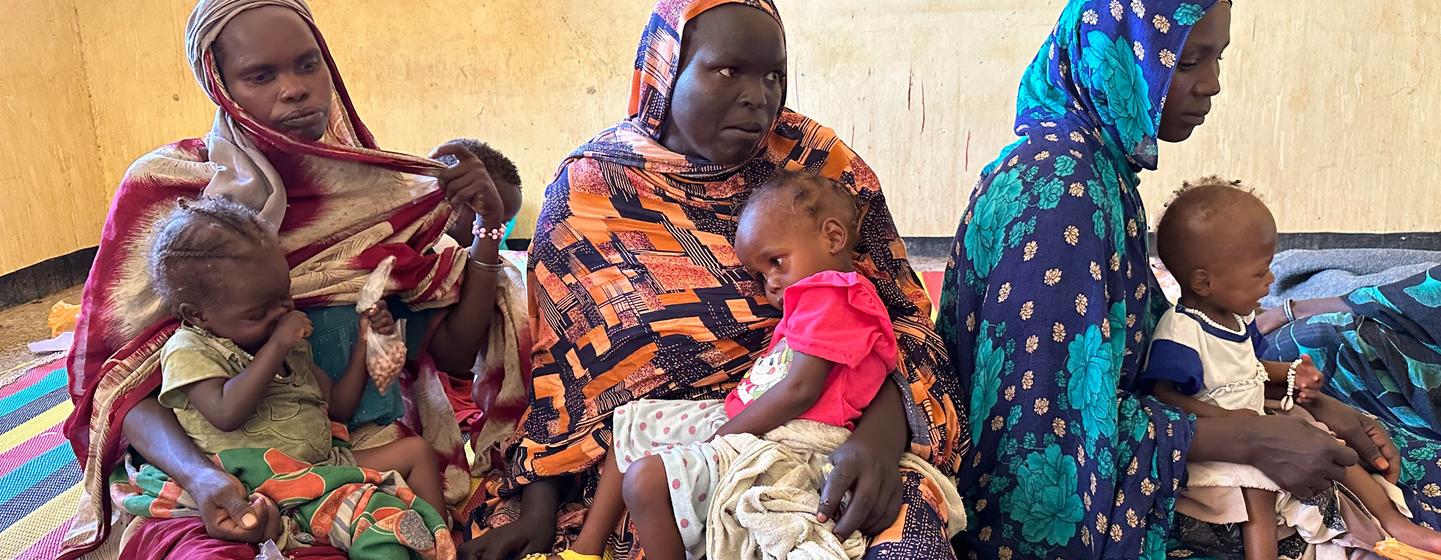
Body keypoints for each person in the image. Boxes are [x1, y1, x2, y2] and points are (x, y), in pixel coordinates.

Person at [464, 1, 965, 559]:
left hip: (832, 445)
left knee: (890, 532)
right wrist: (539, 508)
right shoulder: (592, 194)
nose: (759, 96)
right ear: (666, 69)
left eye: (774, 75)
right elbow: (563, 384)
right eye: (728, 70)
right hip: (656, 473)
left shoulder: (819, 168)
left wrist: (878, 440)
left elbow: (907, 329)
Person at [937, 1, 1411, 557]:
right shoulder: (1064, 192)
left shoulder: (1101, 170)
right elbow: (1046, 444)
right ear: (1114, 57)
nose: (1211, 86)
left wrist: (1294, 403)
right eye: (1186, 63)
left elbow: (1140, 360)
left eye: (1217, 60)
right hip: (1038, 500)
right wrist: (1258, 438)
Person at [61, 1, 515, 557]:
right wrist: (203, 479)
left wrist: (490, 227)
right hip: (207, 458)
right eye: (260, 74)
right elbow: (119, 387)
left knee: (393, 538)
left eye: (308, 64)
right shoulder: (170, 196)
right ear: (220, 85)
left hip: (348, 444)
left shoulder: (382, 197)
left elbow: (449, 354)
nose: (296, 88)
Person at [1140, 180, 1440, 557]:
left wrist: (1292, 373)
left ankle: (1395, 523)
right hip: (1223, 438)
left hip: (1262, 415)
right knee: (1257, 493)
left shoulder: (1235, 315)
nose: (1270, 280)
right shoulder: (1181, 332)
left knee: (1331, 444)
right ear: (1205, 281)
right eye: (1260, 272)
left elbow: (1248, 367)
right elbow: (1165, 398)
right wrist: (1240, 425)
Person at [149, 197, 448, 533]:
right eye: (257, 313)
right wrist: (277, 345)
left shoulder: (290, 346)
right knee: (375, 534)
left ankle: (442, 542)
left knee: (418, 451)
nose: (279, 314)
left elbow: (339, 408)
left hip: (322, 468)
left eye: (284, 298)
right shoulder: (189, 348)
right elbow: (225, 412)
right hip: (257, 483)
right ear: (197, 315)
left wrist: (364, 344)